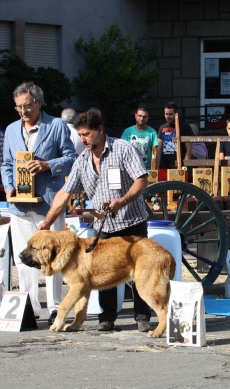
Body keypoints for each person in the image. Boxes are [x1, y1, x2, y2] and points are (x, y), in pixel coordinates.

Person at [38, 110, 153, 333]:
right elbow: (64, 193)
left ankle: (142, 317)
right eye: (80, 135)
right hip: (106, 225)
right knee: (103, 270)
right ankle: (107, 318)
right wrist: (46, 223)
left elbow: (142, 180)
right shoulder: (82, 161)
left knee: (140, 270)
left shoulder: (123, 149)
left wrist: (122, 200)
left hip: (132, 220)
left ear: (100, 130)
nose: (83, 139)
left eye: (87, 134)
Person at [1, 82, 77, 323]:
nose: (23, 111)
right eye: (18, 107)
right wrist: (8, 187)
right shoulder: (12, 129)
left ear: (38, 102)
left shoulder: (56, 126)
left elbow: (72, 158)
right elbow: (5, 164)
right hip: (20, 205)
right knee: (24, 258)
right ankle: (29, 308)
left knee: (53, 256)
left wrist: (47, 165)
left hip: (49, 204)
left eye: (26, 106)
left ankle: (56, 306)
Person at [156, 102, 193, 181]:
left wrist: (185, 166)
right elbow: (159, 149)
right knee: (163, 192)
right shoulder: (162, 127)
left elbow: (189, 149)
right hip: (164, 167)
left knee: (179, 192)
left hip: (179, 167)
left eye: (170, 114)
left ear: (176, 114)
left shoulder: (185, 126)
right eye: (166, 114)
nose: (168, 116)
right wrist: (157, 167)